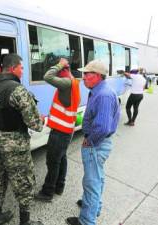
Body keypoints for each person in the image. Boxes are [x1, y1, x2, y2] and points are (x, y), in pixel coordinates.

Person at [0, 53, 44, 225]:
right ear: (14, 67)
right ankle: (25, 222)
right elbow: (35, 124)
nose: (23, 71)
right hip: (16, 146)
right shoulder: (18, 90)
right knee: (24, 183)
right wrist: (41, 119)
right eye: (22, 68)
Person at [66, 60, 120, 225]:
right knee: (97, 178)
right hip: (100, 143)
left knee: (91, 183)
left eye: (86, 74)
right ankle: (94, 207)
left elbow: (102, 128)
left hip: (97, 144)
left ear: (97, 76)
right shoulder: (100, 90)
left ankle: (86, 221)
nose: (83, 78)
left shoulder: (103, 94)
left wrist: (90, 141)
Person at [35, 58, 80, 202]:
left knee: (53, 162)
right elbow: (62, 110)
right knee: (61, 158)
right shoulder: (73, 82)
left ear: (62, 71)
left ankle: (47, 192)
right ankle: (59, 186)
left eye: (58, 71)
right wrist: (48, 119)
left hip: (60, 132)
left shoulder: (66, 83)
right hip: (66, 129)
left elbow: (47, 76)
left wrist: (60, 64)